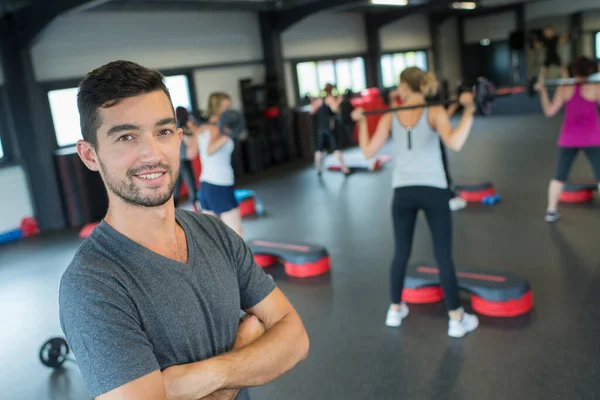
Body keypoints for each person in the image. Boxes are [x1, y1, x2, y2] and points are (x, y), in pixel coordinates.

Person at [59, 60, 309, 400]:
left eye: (162, 131)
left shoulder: (214, 232)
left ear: (178, 138)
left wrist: (211, 374)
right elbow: (273, 329)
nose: (152, 153)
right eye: (126, 137)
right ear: (90, 155)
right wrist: (249, 341)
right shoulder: (92, 284)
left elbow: (295, 338)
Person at [350, 66, 479, 338]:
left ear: (406, 87)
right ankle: (456, 318)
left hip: (403, 192)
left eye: (398, 86)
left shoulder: (390, 115)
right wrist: (469, 111)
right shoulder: (434, 111)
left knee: (401, 253)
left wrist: (361, 121)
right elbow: (455, 143)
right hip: (433, 190)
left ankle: (395, 309)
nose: (396, 91)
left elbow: (367, 152)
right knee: (442, 255)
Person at [535, 56, 600, 222]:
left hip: (568, 139)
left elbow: (549, 112)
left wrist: (542, 91)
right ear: (590, 70)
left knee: (559, 176)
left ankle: (551, 211)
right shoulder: (595, 87)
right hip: (592, 138)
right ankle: (550, 211)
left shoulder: (563, 88)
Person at [187, 92, 243, 237]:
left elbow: (190, 154)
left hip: (207, 185)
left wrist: (195, 133)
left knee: (213, 238)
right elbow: (210, 150)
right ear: (217, 108)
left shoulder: (203, 128)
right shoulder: (219, 128)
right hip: (219, 185)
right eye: (226, 107)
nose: (229, 111)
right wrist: (227, 135)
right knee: (236, 235)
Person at [310, 83, 350, 175]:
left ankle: (318, 169)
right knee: (336, 147)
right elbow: (335, 109)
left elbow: (312, 111)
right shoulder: (329, 99)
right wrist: (339, 101)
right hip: (329, 126)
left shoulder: (320, 99)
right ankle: (344, 168)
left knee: (318, 149)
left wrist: (313, 102)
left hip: (321, 126)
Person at [172, 106, 198, 208]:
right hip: (184, 161)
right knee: (192, 188)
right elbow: (190, 142)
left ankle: (172, 215)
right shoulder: (184, 128)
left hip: (176, 161)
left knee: (175, 191)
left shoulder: (174, 127)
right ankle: (197, 212)